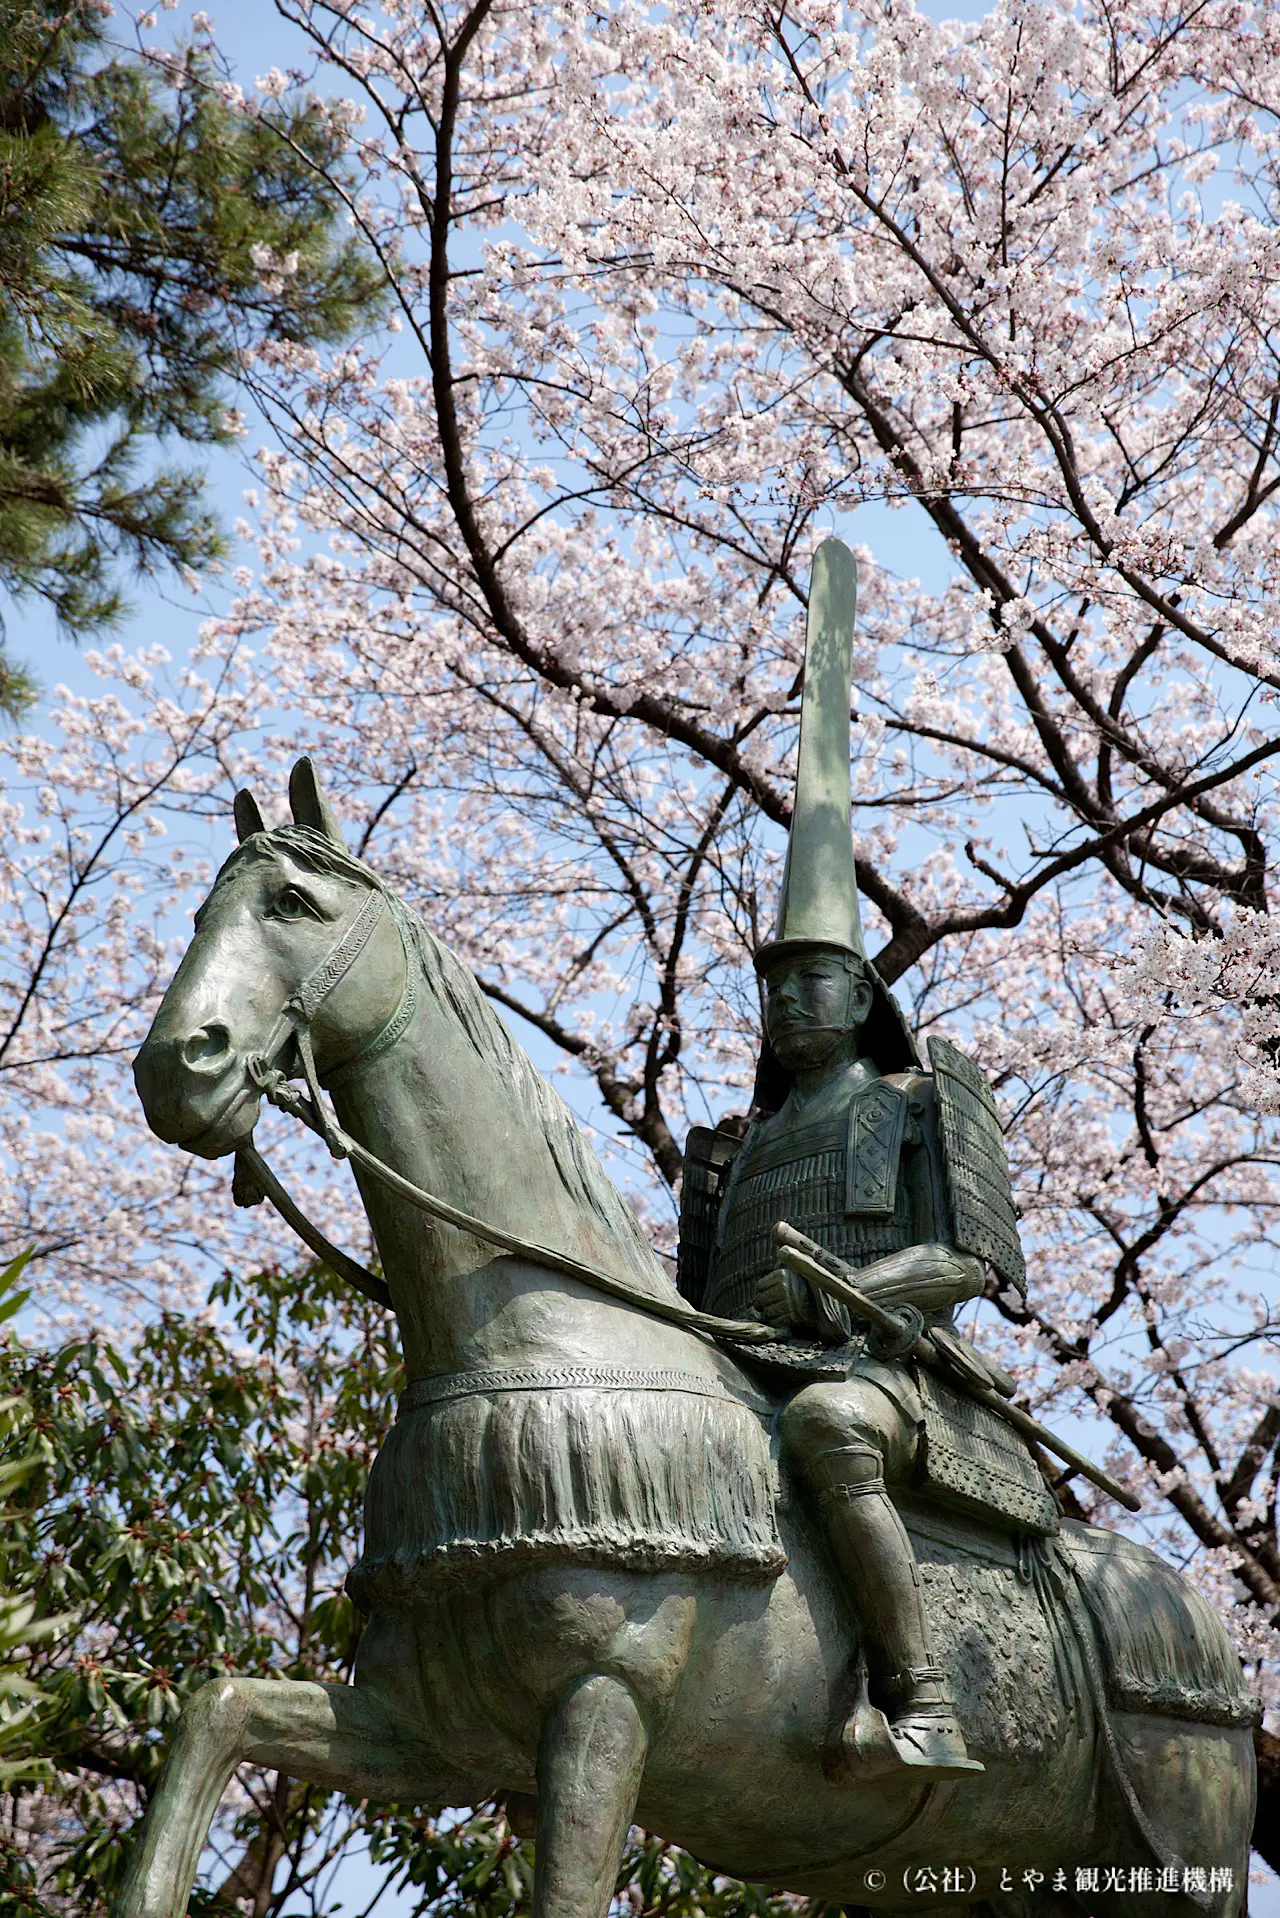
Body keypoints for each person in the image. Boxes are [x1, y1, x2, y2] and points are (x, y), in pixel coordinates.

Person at [679, 540, 1027, 1781]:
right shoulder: (731, 1150)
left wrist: (848, 1294)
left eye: (813, 980)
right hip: (738, 1370)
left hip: (879, 1373)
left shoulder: (919, 1100)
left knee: (828, 1427)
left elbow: (970, 1264)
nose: (787, 1004)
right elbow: (691, 1300)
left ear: (862, 992)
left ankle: (920, 1697)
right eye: (772, 988)